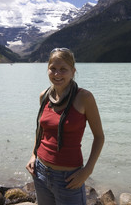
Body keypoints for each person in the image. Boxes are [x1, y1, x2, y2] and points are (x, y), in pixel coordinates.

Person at [26, 47, 104, 205]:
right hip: (40, 172)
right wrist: (33, 155)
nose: (57, 74)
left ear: (73, 71)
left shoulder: (84, 97)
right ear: (47, 69)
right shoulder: (44, 96)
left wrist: (87, 170)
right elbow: (41, 131)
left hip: (68, 178)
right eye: (52, 69)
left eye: (63, 69)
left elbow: (99, 137)